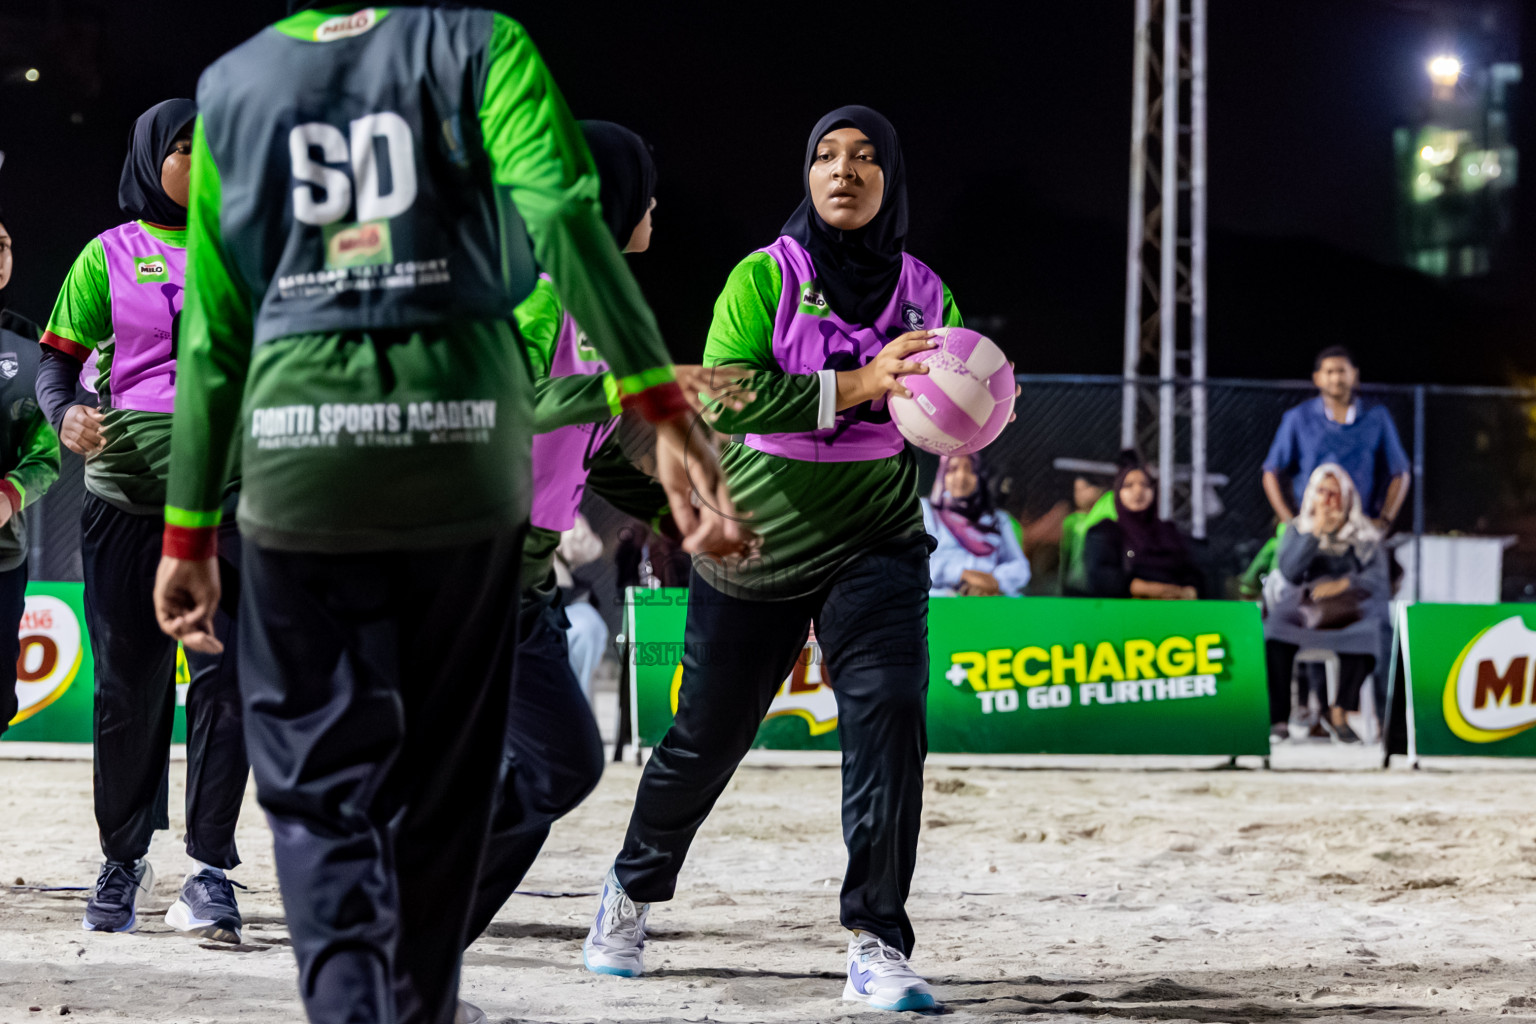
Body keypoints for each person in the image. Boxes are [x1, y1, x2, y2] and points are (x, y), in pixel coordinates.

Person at [151, 8, 734, 1024]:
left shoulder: (237, 82)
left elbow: (214, 332)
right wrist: (658, 396)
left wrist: (189, 528)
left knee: (323, 800)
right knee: (443, 796)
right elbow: (558, 213)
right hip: (460, 466)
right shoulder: (479, 45)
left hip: (299, 468)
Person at [583, 104, 993, 1014]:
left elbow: (953, 395)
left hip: (877, 541)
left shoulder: (928, 293)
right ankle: (630, 889)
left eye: (864, 160)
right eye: (825, 157)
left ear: (891, 181)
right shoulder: (762, 279)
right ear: (806, 178)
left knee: (888, 715)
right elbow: (727, 399)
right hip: (756, 544)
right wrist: (859, 382)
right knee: (705, 741)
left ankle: (877, 938)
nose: (843, 172)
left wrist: (977, 401)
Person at [36, 100, 249, 941]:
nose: (203, 163)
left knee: (225, 688)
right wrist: (64, 415)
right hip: (124, 501)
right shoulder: (107, 255)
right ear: (150, 158)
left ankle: (209, 870)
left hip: (228, 506)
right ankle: (124, 857)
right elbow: (57, 359)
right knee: (129, 688)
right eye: (185, 149)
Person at [1261, 464, 1389, 743]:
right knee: (1274, 632)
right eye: (1322, 492)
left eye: (1335, 493)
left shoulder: (1364, 534)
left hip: (1347, 613)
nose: (1329, 499)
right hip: (1302, 614)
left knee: (1369, 632)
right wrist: (1315, 533)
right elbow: (1290, 571)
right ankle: (1279, 720)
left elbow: (1379, 579)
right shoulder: (1296, 529)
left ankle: (1340, 711)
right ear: (1311, 495)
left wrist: (1345, 584)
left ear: (1347, 497)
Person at [0, 206, 62, 737]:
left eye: (4, 244)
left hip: (3, 555)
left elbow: (45, 455)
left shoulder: (29, 346)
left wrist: (10, 494)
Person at [1262, 345, 1410, 530]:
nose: (1336, 378)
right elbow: (1270, 471)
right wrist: (1289, 521)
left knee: (1376, 559)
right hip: (1311, 527)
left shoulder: (1376, 417)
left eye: (1342, 371)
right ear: (1317, 377)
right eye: (1329, 371)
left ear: (1354, 375)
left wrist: (1384, 520)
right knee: (1289, 558)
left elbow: (1401, 472)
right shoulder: (1298, 417)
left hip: (1359, 528)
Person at [1073, 462, 1201, 599]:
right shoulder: (1105, 532)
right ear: (1117, 493)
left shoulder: (1169, 532)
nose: (1138, 491)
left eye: (1145, 485)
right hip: (1123, 614)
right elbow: (1099, 578)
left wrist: (1187, 590)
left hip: (1175, 612)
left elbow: (1193, 572)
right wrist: (1144, 588)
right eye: (1129, 485)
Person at [921, 453, 1029, 596]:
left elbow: (1021, 569)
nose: (961, 476)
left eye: (970, 470)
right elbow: (915, 563)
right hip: (942, 600)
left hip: (988, 597)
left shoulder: (998, 520)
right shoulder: (926, 512)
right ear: (942, 474)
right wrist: (962, 574)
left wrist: (994, 581)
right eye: (953, 469)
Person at [1057, 474, 1106, 594]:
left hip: (1101, 588)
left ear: (1098, 489)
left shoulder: (1106, 519)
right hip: (1075, 585)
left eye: (1084, 488)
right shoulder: (1071, 521)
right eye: (1076, 490)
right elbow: (1064, 559)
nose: (1078, 494)